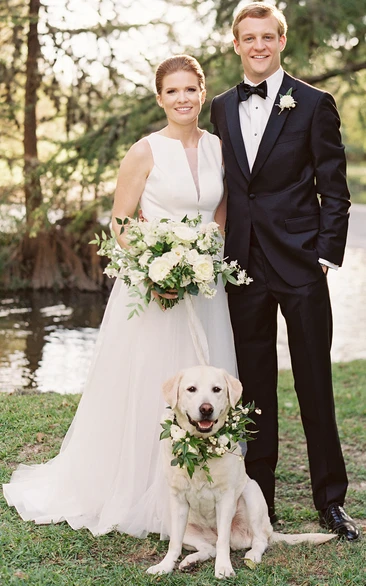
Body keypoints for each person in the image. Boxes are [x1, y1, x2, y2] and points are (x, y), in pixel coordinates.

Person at [3, 55, 237, 538]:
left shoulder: (217, 147)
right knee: (149, 381)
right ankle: (140, 487)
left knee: (205, 382)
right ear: (159, 97)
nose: (183, 99)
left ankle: (202, 486)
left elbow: (220, 215)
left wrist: (203, 261)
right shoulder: (144, 151)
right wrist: (158, 267)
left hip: (205, 286)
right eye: (172, 91)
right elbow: (122, 222)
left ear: (202, 91)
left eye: (191, 89)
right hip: (155, 289)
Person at [210, 2, 359, 541]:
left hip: (300, 263)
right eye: (248, 37)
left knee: (315, 382)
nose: (258, 45)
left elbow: (335, 189)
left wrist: (324, 253)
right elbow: (225, 186)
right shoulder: (221, 107)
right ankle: (260, 499)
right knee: (253, 391)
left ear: (281, 41)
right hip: (243, 265)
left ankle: (331, 501)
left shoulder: (315, 103)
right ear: (236, 44)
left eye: (267, 37)